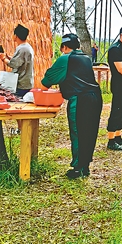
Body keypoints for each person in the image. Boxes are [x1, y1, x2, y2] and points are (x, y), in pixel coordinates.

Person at [41, 33, 103, 179]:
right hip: (95, 97)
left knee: (78, 133)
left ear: (64, 47)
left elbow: (46, 82)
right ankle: (85, 166)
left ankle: (77, 168)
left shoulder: (65, 58)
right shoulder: (86, 58)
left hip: (81, 100)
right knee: (90, 133)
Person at [106, 26, 122, 151]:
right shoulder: (115, 50)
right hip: (119, 85)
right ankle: (111, 139)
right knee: (116, 111)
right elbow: (121, 69)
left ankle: (118, 136)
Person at [0, 24, 34, 97]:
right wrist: (9, 57)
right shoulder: (27, 47)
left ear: (16, 35)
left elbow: (13, 64)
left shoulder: (22, 49)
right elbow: (22, 61)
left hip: (21, 84)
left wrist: (4, 59)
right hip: (26, 83)